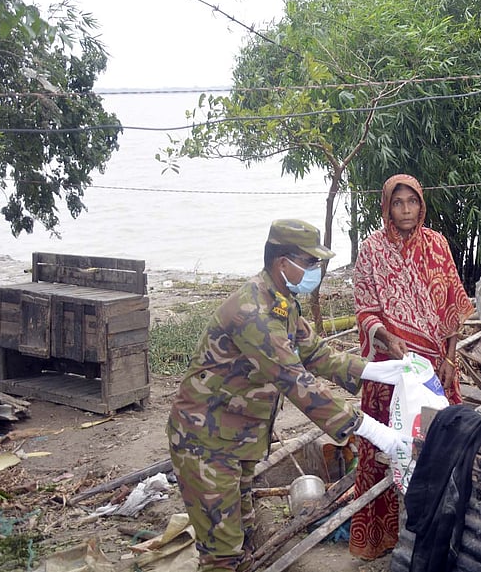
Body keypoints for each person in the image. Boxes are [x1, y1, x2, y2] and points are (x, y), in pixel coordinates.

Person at [166, 219, 409, 572]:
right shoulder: (253, 312)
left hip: (238, 440)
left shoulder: (283, 302)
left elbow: (315, 355)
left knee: (245, 535)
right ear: (283, 263)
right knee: (222, 555)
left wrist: (374, 371)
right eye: (310, 263)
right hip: (206, 444)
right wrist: (371, 430)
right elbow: (295, 380)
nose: (316, 271)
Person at [349, 174, 475, 560]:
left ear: (422, 205)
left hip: (435, 372)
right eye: (398, 203)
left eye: (412, 202)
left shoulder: (436, 245)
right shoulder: (371, 250)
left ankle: (440, 529)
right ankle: (380, 539)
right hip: (391, 372)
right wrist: (386, 338)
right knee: (382, 451)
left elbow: (454, 307)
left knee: (441, 445)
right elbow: (365, 309)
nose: (406, 210)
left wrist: (451, 360)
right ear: (386, 206)